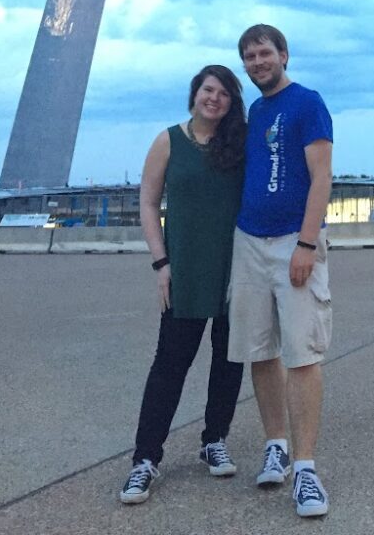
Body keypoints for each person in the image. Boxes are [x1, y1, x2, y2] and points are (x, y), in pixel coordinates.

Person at [120, 65, 246, 504]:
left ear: (232, 102)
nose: (215, 98)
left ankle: (215, 439)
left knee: (229, 362)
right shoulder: (168, 140)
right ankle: (145, 459)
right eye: (208, 90)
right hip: (185, 270)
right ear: (195, 94)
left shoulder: (240, 143)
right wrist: (161, 263)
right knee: (169, 366)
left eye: (224, 93)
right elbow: (149, 202)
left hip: (235, 270)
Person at [228, 24, 333, 518]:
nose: (256, 62)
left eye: (263, 52)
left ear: (284, 54)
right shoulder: (256, 109)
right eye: (248, 56)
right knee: (259, 349)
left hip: (294, 239)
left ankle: (307, 469)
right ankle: (276, 445)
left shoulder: (308, 103)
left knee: (301, 352)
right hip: (249, 239)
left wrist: (307, 244)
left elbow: (321, 178)